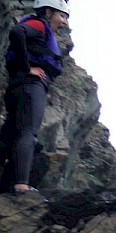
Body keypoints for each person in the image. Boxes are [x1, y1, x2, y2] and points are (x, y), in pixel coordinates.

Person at [0, 0, 70, 195]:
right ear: (48, 12)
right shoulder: (39, 24)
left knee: (9, 136)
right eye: (62, 16)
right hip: (31, 86)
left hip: (19, 87)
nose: (64, 22)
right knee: (28, 133)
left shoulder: (41, 30)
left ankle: (6, 185)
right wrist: (26, 67)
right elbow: (17, 32)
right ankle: (21, 185)